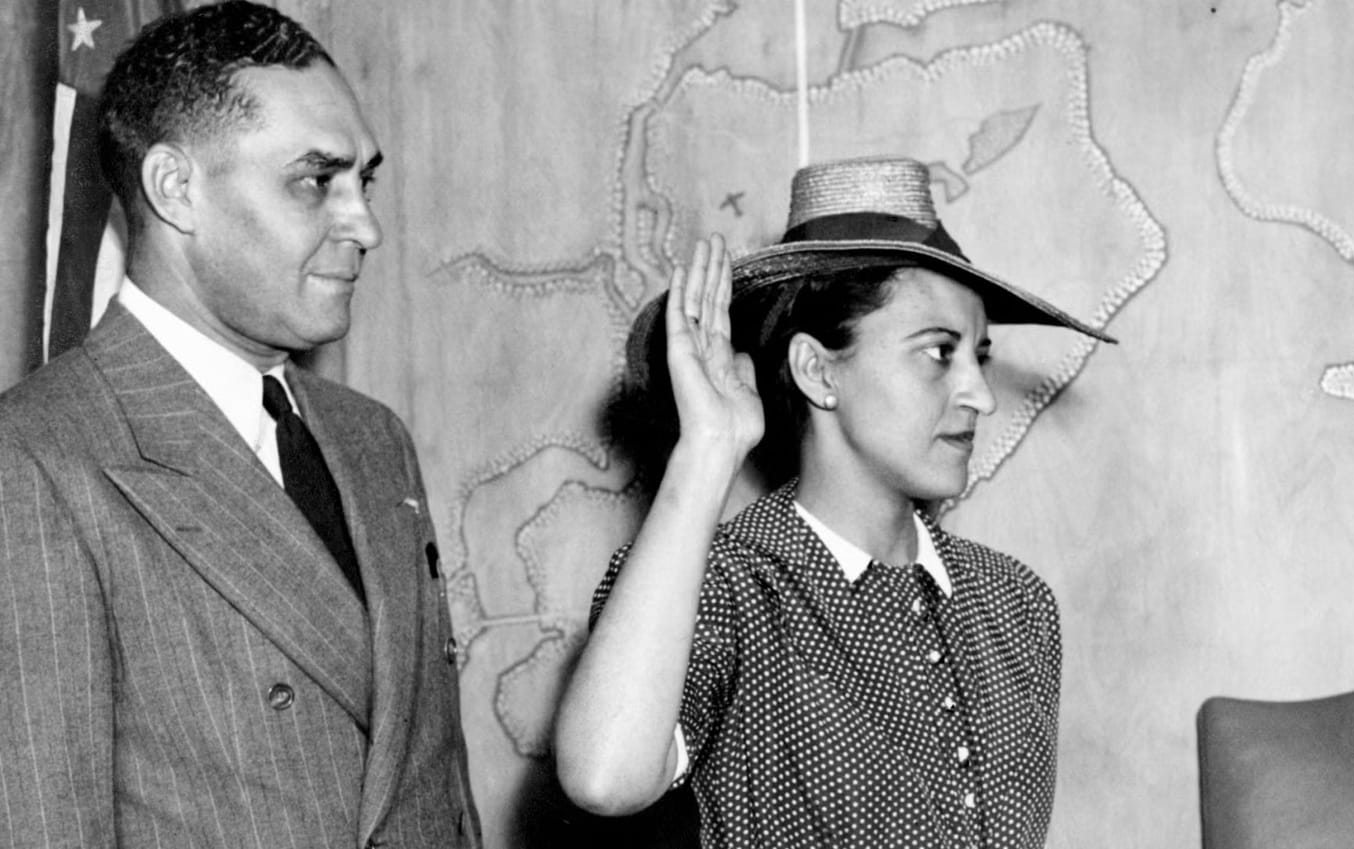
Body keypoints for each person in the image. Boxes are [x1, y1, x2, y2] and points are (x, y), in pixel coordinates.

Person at [0, 3, 480, 846]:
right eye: (314, 181)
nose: (364, 224)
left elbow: (436, 797)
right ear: (176, 189)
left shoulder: (373, 441)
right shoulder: (38, 461)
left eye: (362, 181)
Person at [555, 155, 1113, 847]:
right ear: (818, 370)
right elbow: (604, 777)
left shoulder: (1015, 603)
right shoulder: (727, 585)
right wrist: (707, 450)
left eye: (980, 354)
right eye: (940, 352)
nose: (980, 393)